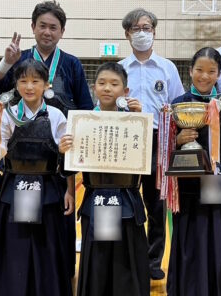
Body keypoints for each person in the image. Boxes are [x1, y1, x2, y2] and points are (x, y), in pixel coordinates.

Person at [0, 1, 91, 276]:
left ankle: (58, 275)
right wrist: (5, 64)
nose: (47, 32)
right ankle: (19, 276)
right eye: (42, 26)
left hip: (57, 161)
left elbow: (85, 108)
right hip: (20, 159)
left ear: (62, 31)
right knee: (21, 232)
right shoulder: (18, 59)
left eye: (53, 27)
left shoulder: (71, 64)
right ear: (32, 27)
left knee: (56, 226)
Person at [0, 59, 74, 296]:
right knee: (15, 247)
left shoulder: (56, 115)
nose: (29, 86)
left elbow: (68, 161)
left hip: (48, 189)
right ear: (16, 85)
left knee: (47, 248)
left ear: (46, 85)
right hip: (15, 187)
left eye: (36, 81)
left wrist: (69, 189)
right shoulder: (8, 114)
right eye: (23, 81)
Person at [167, 47, 221, 296]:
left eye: (211, 71)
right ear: (190, 71)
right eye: (199, 70)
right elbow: (164, 147)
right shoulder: (177, 104)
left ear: (219, 74)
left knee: (220, 235)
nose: (204, 76)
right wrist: (178, 140)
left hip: (220, 179)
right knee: (194, 237)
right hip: (189, 182)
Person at [69, 62, 149, 296]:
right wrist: (65, 150)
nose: (107, 88)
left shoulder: (135, 120)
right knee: (99, 262)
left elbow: (147, 164)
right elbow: (70, 168)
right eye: (102, 83)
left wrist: (139, 123)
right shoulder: (82, 122)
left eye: (114, 84)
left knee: (126, 262)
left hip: (127, 200)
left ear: (125, 92)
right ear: (94, 88)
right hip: (97, 199)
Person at [118, 8, 185, 279]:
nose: (142, 33)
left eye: (146, 27)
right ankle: (126, 257)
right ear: (127, 34)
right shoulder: (120, 69)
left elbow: (180, 106)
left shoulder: (167, 68)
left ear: (155, 32)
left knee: (157, 206)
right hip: (128, 140)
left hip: (160, 141)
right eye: (136, 28)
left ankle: (153, 261)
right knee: (126, 199)